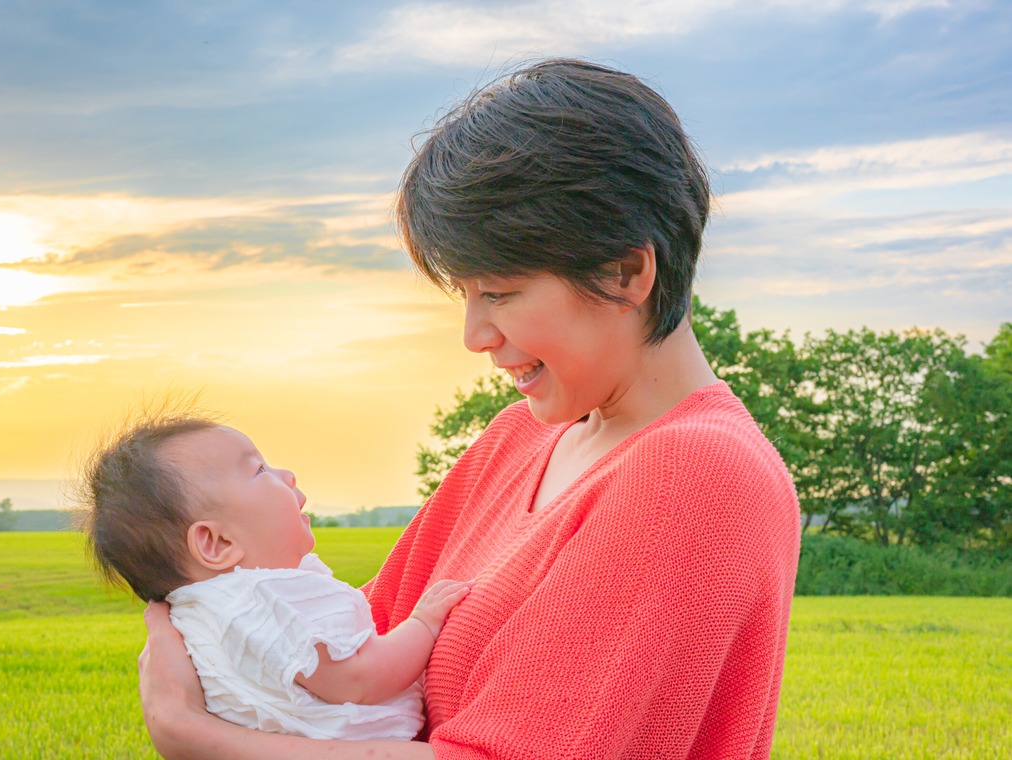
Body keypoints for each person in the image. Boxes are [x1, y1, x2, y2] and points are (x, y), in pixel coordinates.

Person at [137, 58, 801, 759]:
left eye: (502, 292)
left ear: (625, 273)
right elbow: (351, 638)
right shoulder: (518, 438)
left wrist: (196, 736)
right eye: (467, 294)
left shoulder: (696, 476)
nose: (475, 336)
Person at [78, 415, 472, 741]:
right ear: (216, 542)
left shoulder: (201, 612)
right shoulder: (266, 600)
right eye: (259, 471)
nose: (288, 475)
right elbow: (358, 680)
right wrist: (424, 623)